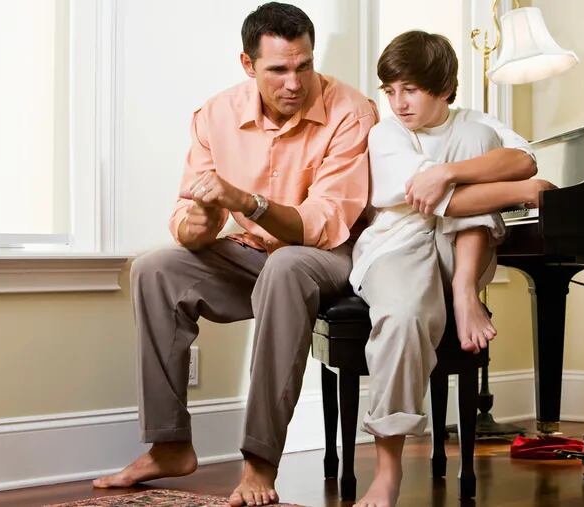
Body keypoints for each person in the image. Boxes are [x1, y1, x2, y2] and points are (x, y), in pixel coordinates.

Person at [92, 4, 377, 506]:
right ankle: (169, 445)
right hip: (252, 253)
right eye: (279, 70)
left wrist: (248, 202)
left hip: (328, 255)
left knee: (286, 265)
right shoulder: (216, 114)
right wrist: (198, 223)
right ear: (248, 65)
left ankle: (260, 462)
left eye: (305, 65)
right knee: (155, 269)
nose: (295, 83)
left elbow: (321, 224)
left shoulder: (351, 112)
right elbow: (188, 218)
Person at [349, 31, 554, 507]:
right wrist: (521, 192)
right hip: (398, 247)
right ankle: (388, 470)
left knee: (476, 140)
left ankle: (463, 290)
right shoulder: (386, 134)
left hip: (460, 252)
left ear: (443, 88)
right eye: (390, 91)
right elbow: (455, 202)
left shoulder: (474, 125)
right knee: (402, 317)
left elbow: (523, 159)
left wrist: (447, 171)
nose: (398, 103)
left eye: (410, 90)